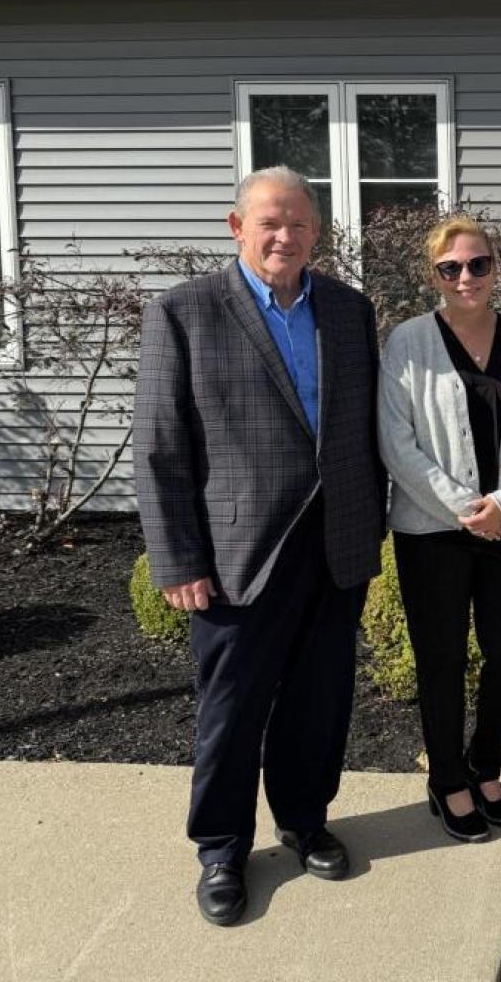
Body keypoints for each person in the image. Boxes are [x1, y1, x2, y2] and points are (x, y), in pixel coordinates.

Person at [132, 165, 386, 926]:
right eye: (269, 222)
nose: (284, 235)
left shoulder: (347, 309)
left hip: (335, 541)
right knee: (233, 707)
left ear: (317, 232)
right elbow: (159, 447)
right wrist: (177, 559)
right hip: (239, 551)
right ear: (236, 226)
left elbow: (362, 426)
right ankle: (220, 847)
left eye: (299, 223)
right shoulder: (185, 312)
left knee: (319, 698)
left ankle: (305, 820)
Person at [378, 216, 501, 843]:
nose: (465, 277)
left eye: (477, 264)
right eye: (450, 268)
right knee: (443, 658)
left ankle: (486, 768)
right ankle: (447, 779)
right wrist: (464, 506)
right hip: (431, 532)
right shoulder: (407, 342)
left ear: (495, 268)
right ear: (434, 275)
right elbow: (396, 442)